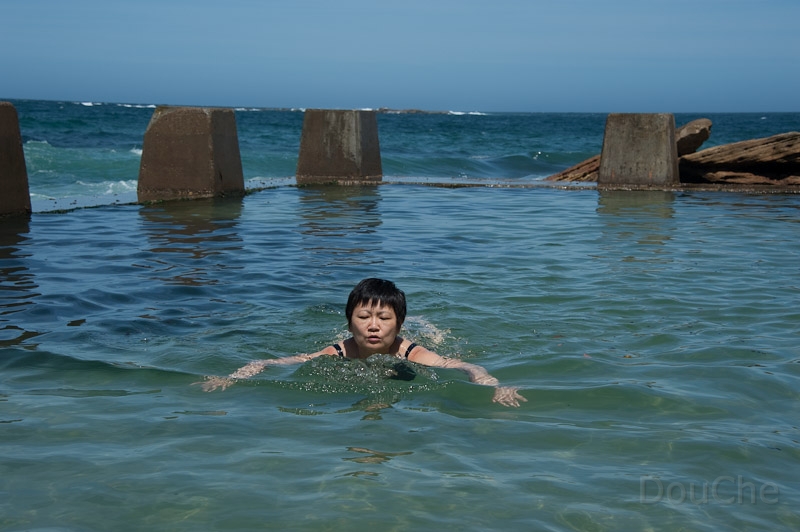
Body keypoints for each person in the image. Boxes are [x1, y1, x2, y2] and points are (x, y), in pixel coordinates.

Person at [198, 278, 526, 407]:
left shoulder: (412, 352)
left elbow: (466, 365)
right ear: (349, 322)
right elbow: (272, 361)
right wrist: (233, 377)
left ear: (398, 324)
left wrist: (494, 386)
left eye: (383, 318)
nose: (372, 326)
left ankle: (423, 324)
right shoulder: (338, 351)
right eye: (363, 317)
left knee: (434, 339)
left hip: (403, 351)